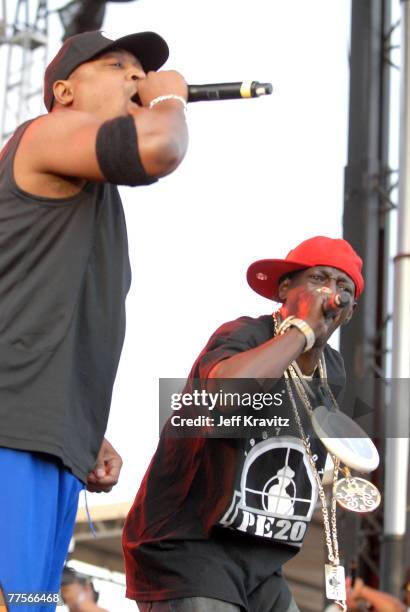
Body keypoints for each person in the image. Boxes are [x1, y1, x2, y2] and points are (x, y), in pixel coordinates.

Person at [0, 29, 188, 610]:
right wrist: (169, 99)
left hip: (46, 433)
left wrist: (83, 423)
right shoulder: (41, 135)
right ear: (64, 91)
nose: (136, 77)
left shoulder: (92, 202)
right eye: (117, 66)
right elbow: (159, 147)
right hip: (10, 429)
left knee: (27, 602)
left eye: (143, 70)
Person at [123, 235, 363, 611]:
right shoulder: (246, 334)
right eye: (319, 278)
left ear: (349, 309)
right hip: (191, 546)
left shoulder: (332, 370)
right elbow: (222, 398)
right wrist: (302, 331)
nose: (330, 292)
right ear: (286, 288)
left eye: (342, 286)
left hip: (261, 561)